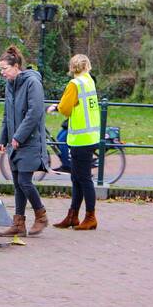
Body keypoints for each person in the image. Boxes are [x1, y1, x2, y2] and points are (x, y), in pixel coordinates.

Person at [0, 45, 49, 237]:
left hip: (30, 142)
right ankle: (18, 223)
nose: (2, 73)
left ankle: (41, 216)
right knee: (18, 183)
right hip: (15, 143)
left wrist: (18, 136)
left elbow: (35, 113)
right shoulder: (10, 85)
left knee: (25, 182)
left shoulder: (32, 83)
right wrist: (3, 138)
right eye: (0, 69)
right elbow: (7, 114)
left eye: (5, 69)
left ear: (16, 66)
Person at [47, 54, 100, 230]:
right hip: (91, 136)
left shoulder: (75, 84)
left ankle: (90, 217)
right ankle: (73, 216)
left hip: (80, 139)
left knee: (83, 179)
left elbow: (65, 108)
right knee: (77, 178)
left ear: (72, 67)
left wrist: (57, 107)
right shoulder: (89, 81)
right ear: (87, 66)